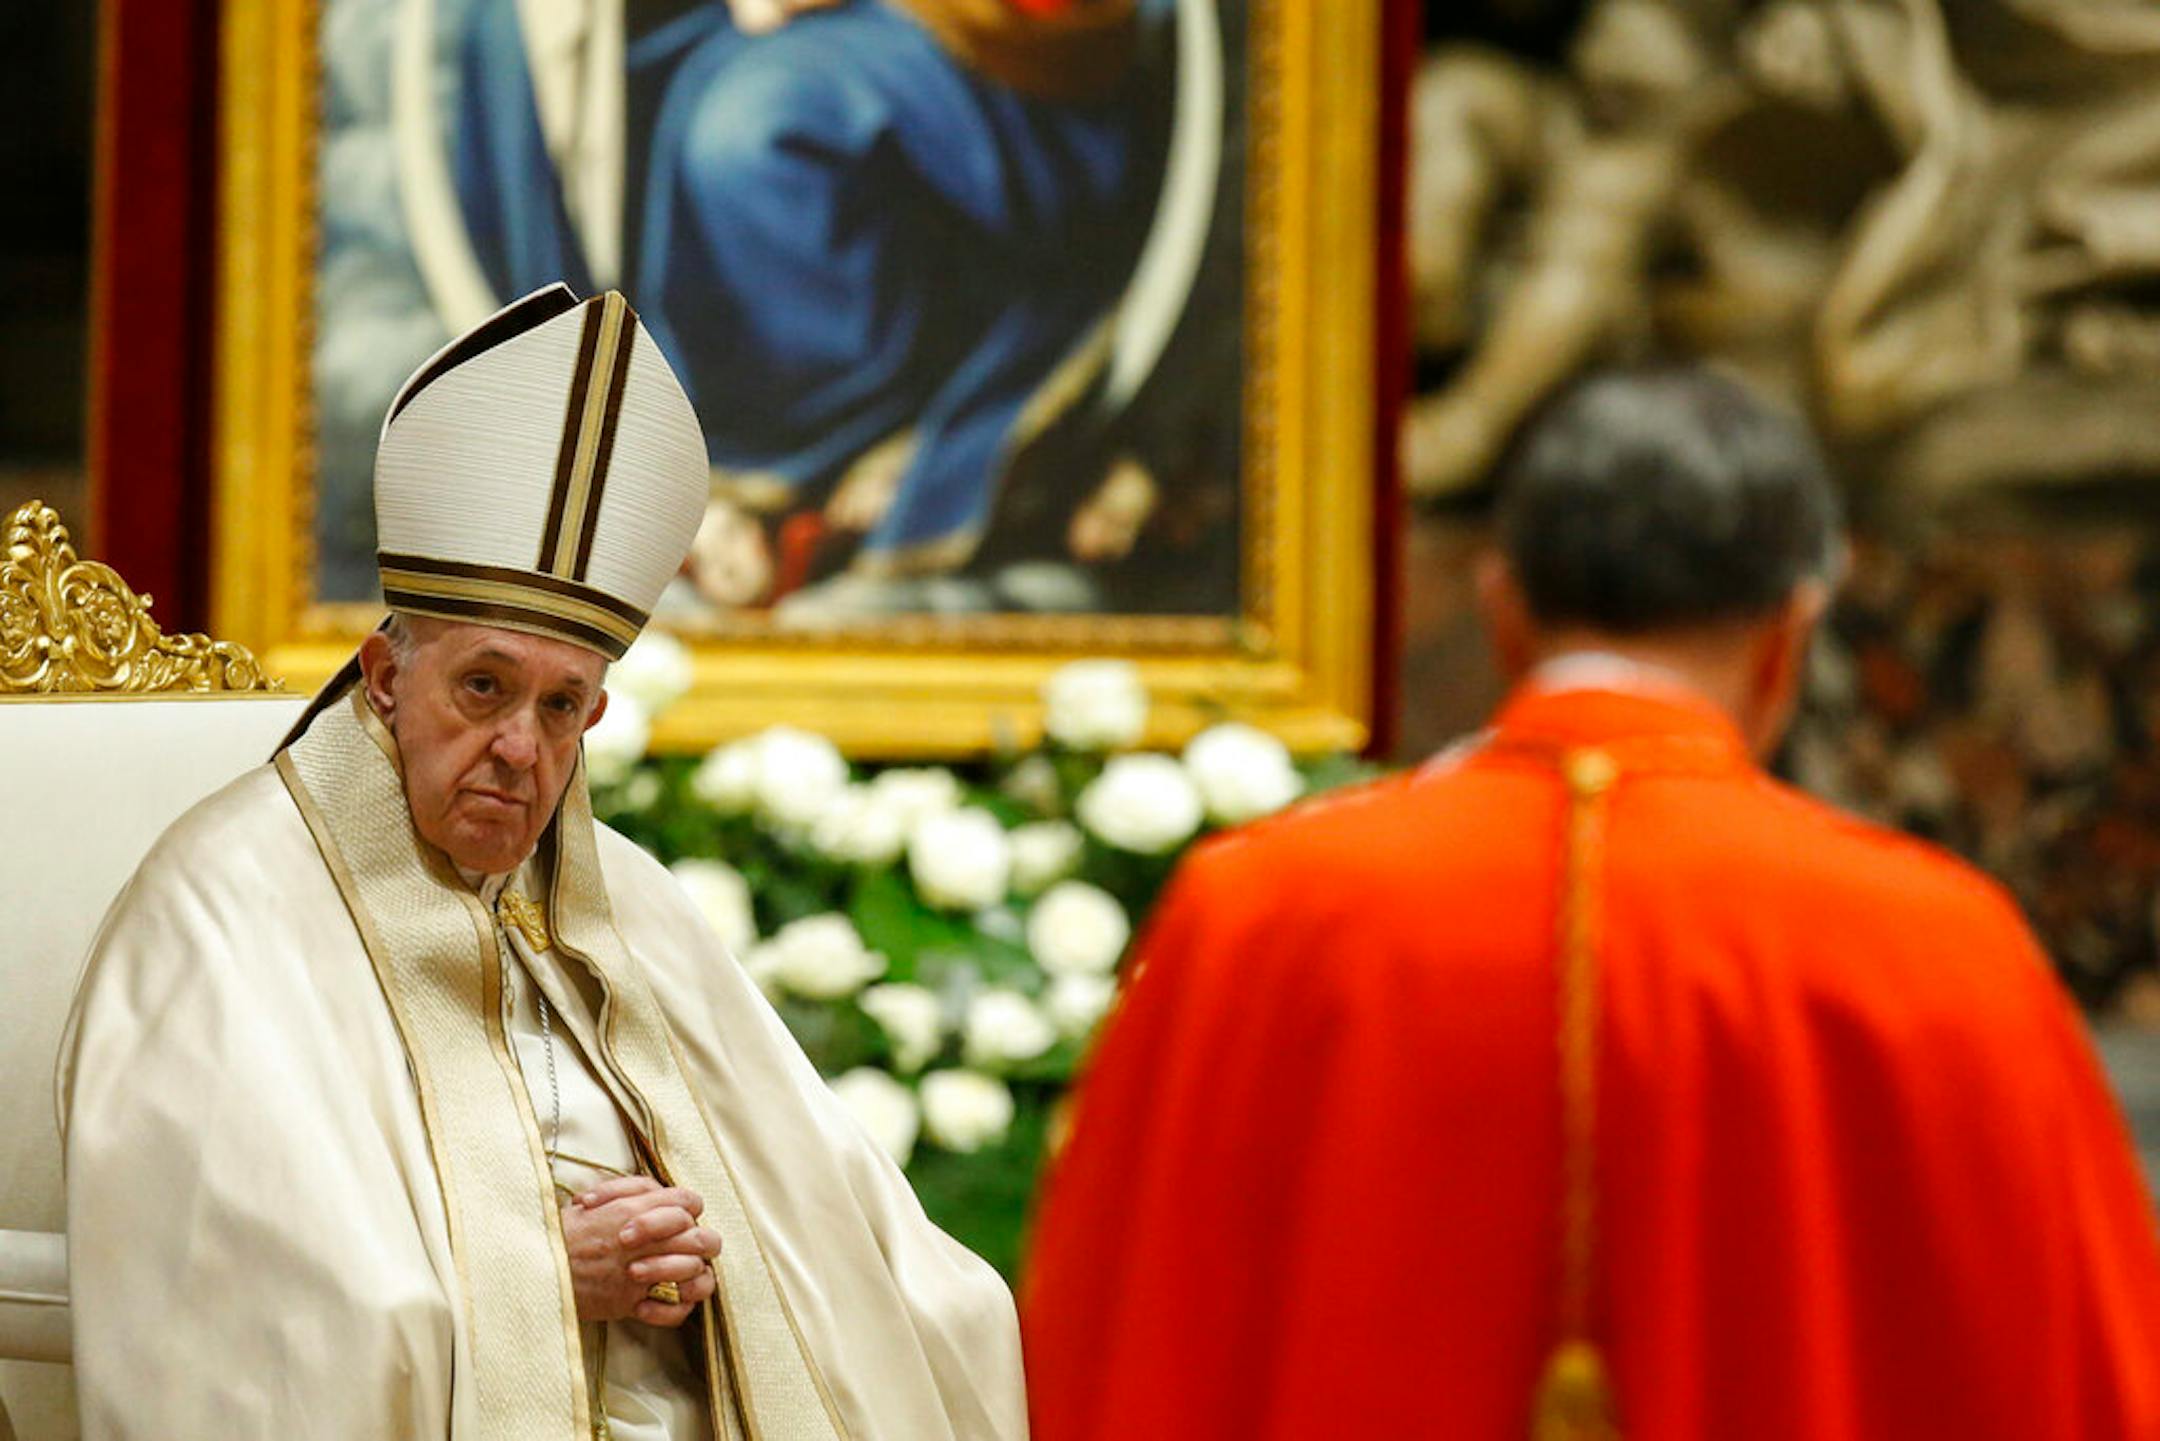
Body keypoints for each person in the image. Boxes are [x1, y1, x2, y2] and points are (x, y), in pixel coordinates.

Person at [1021, 366, 2160, 1439]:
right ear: (1794, 631)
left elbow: (1102, 1354)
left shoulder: (1259, 915)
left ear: (1502, 608)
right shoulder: (1937, 946)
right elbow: (2085, 1379)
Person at [60, 285, 1025, 1440]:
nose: (518, 748)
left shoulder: (634, 906)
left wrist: (695, 1264)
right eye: (483, 688)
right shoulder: (223, 904)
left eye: (560, 705)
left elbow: (845, 1231)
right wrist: (536, 1278)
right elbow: (218, 1292)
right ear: (383, 676)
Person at [442, 0, 1167, 605]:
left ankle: (865, 435)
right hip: (773, 30)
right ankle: (743, 461)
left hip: (1000, 46)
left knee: (755, 134)